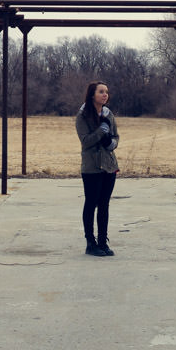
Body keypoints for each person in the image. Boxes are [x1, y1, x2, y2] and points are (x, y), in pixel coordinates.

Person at [75, 81, 119, 256]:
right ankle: (90, 244)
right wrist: (102, 130)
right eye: (101, 91)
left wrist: (111, 143)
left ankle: (102, 242)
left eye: (106, 91)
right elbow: (86, 141)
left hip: (109, 166)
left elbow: (115, 136)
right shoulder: (83, 115)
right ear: (92, 94)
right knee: (91, 203)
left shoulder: (109, 114)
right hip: (91, 166)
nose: (105, 94)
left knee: (104, 205)